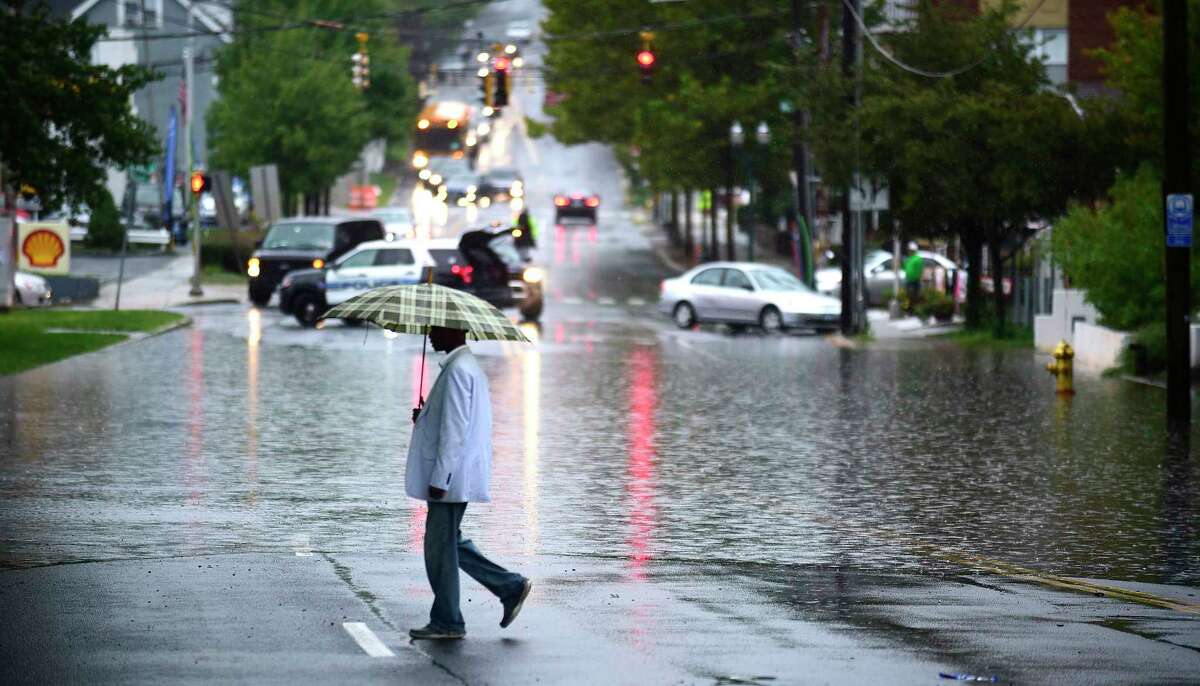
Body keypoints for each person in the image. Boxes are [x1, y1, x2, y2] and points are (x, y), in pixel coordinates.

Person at [406, 326, 532, 640]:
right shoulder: (463, 367)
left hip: (450, 478)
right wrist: (424, 417)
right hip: (455, 475)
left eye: (436, 328)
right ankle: (510, 586)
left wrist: (441, 478)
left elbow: (455, 431)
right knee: (449, 543)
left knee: (439, 548)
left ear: (455, 330)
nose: (430, 334)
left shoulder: (458, 372)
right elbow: (451, 423)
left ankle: (448, 621)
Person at [903, 241, 923, 307]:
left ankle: (914, 308)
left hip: (915, 281)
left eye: (910, 250)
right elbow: (905, 268)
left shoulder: (917, 259)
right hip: (908, 280)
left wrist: (917, 277)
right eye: (909, 250)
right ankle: (908, 308)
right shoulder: (908, 258)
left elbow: (919, 270)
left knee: (915, 296)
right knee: (908, 295)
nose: (909, 251)